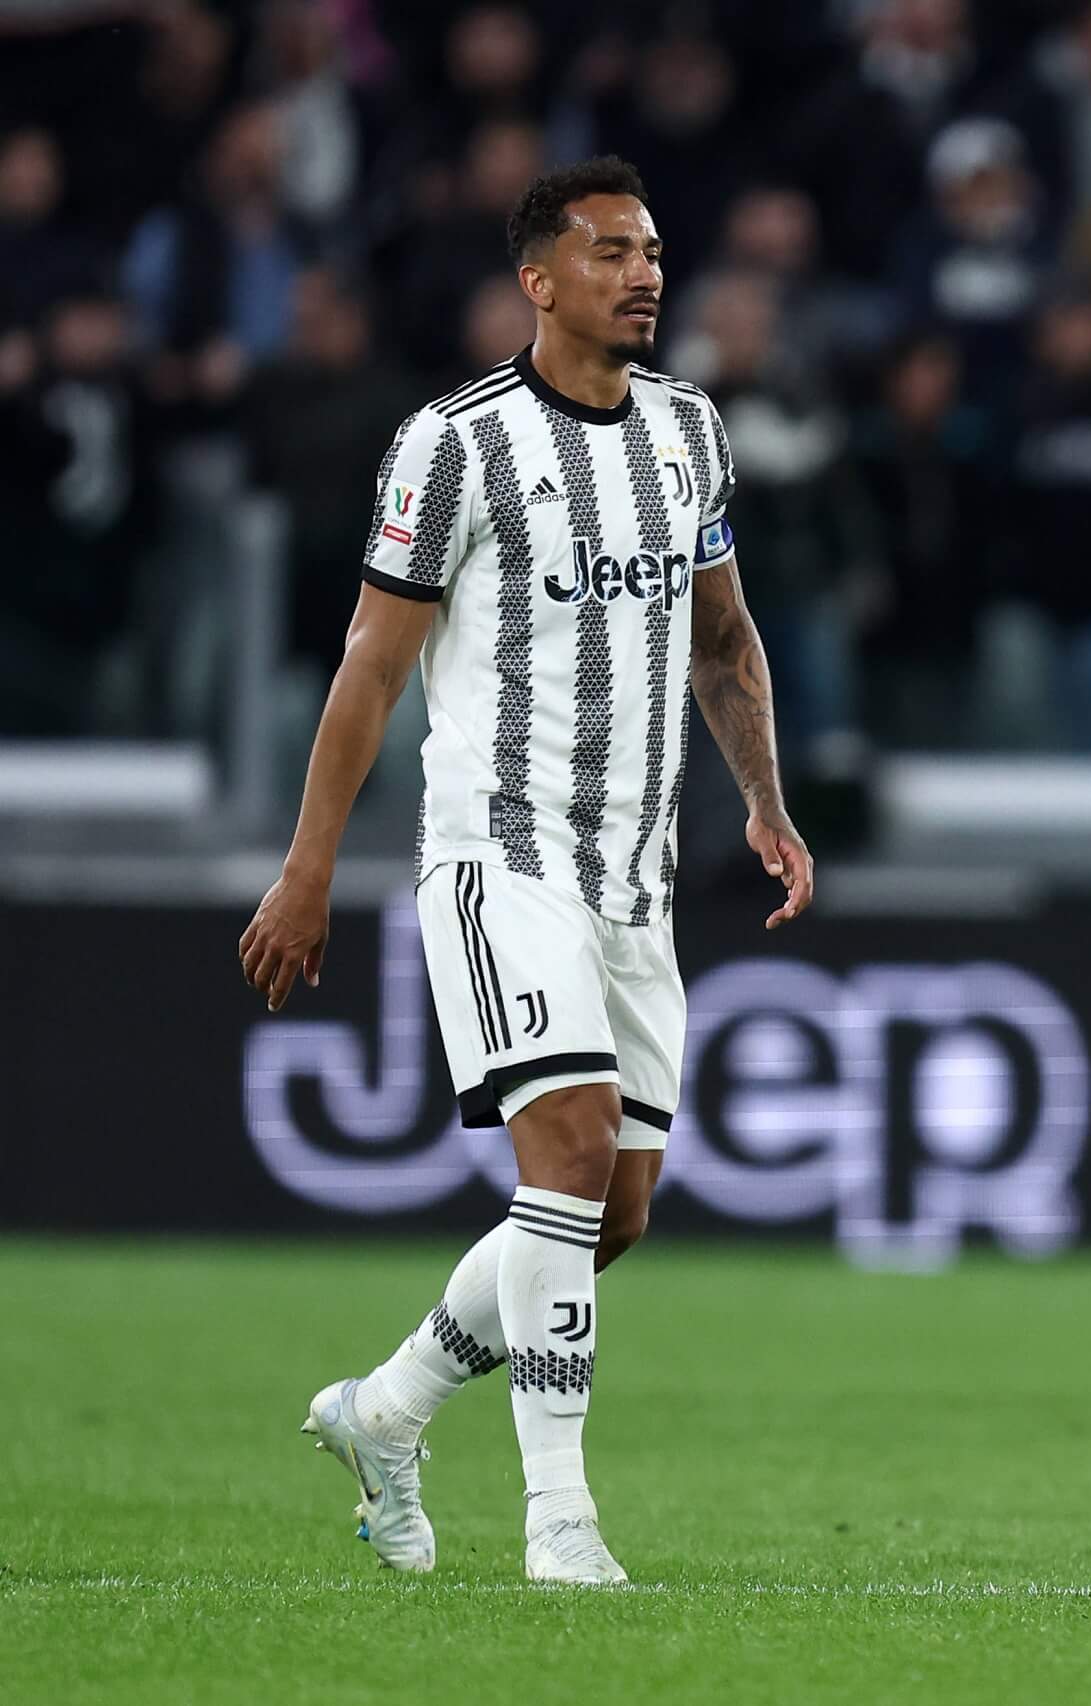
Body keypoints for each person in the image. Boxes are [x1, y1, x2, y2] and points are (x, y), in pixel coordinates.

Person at [235, 157, 816, 1585]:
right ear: (539, 281)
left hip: (636, 876)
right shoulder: (455, 444)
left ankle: (387, 1410)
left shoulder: (689, 431)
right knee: (559, 1157)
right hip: (501, 858)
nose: (647, 274)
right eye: (612, 252)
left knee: (606, 1214)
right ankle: (561, 1519)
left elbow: (725, 638)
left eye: (655, 250)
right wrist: (307, 867)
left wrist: (767, 802)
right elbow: (373, 666)